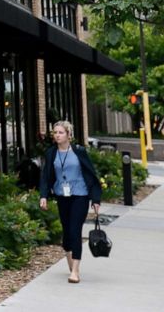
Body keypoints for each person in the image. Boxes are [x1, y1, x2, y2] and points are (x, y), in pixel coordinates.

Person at [39, 120, 102, 284]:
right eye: (55, 132)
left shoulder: (79, 151)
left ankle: (75, 271)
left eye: (60, 132)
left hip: (80, 195)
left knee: (75, 230)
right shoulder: (51, 153)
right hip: (62, 195)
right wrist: (43, 196)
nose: (57, 135)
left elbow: (91, 175)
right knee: (67, 232)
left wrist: (95, 199)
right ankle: (71, 262)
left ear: (69, 135)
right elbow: (46, 176)